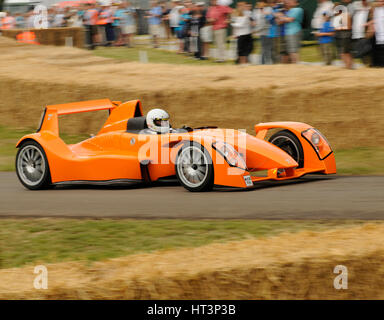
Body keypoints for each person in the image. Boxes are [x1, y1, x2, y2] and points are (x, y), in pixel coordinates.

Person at [333, 0, 353, 69]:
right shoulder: (338, 17)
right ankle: (346, 66)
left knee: (346, 52)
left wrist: (339, 28)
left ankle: (349, 66)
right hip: (340, 36)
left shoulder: (346, 15)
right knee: (342, 52)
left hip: (346, 36)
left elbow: (349, 26)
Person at [351, 0, 372, 65]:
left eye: (365, 1)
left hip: (366, 34)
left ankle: (369, 63)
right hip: (357, 34)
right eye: (362, 1)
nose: (363, 2)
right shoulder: (357, 11)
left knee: (367, 49)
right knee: (361, 50)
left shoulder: (370, 10)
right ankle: (365, 64)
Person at [371, 0, 384, 67]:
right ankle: (377, 64)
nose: (380, 2)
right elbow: (374, 19)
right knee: (377, 49)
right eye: (379, 1)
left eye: (382, 1)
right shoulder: (375, 9)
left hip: (382, 32)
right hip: (376, 32)